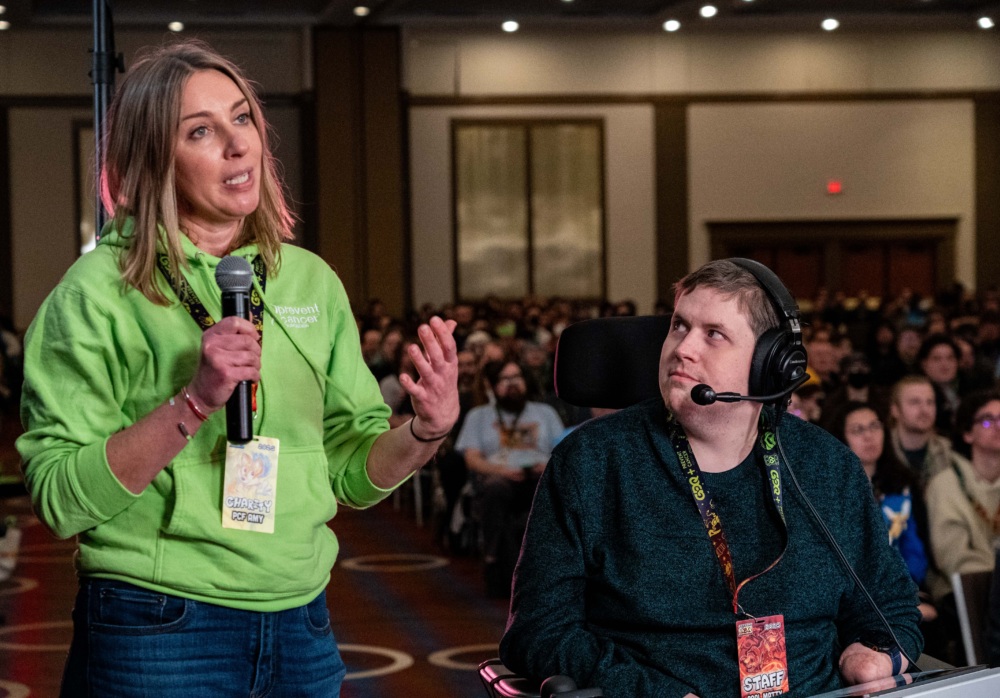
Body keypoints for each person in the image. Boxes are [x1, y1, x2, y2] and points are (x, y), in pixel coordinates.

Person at [16, 41, 458, 696]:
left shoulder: (310, 281)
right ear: (152, 158)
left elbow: (349, 472)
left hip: (301, 620)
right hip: (158, 622)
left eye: (243, 118)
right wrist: (193, 403)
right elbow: (59, 499)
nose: (237, 145)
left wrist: (424, 432)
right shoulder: (95, 294)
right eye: (201, 130)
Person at [500, 259, 922, 697]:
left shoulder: (828, 466)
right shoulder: (591, 462)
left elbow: (891, 604)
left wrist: (877, 654)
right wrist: (652, 693)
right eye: (679, 326)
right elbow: (538, 631)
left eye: (713, 334)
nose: (683, 348)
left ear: (768, 363)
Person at [454, 359, 564, 596]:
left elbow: (563, 453)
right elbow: (471, 459)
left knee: (551, 491)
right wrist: (502, 471)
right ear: (492, 387)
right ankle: (493, 557)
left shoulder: (545, 413)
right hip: (499, 478)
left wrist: (545, 466)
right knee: (496, 490)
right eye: (505, 379)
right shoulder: (479, 415)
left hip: (539, 477)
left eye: (517, 377)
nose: (512, 383)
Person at [827, 402, 935, 621]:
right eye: (858, 430)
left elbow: (915, 544)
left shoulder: (904, 483)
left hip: (904, 588)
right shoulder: (831, 491)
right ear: (841, 438)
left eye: (875, 426)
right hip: (854, 597)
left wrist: (908, 589)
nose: (869, 436)